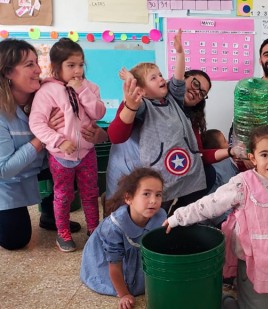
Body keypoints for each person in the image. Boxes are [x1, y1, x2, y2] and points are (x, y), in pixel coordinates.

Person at [163, 125, 268, 309]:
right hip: (253, 260)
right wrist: (178, 217)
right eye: (264, 154)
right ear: (253, 158)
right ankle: (227, 302)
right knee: (255, 305)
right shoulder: (243, 184)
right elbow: (210, 204)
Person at [0, 39, 105, 250]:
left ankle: (50, 214)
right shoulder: (36, 98)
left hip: (53, 162)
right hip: (8, 181)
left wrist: (99, 135)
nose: (39, 69)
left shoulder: (43, 92)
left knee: (80, 178)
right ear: (9, 72)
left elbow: (95, 115)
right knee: (15, 239)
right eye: (29, 65)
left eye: (37, 62)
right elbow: (5, 170)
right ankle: (54, 221)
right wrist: (47, 138)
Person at [105, 29, 207, 216]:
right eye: (154, 77)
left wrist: (180, 53)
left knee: (162, 205)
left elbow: (178, 78)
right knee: (145, 208)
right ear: (142, 89)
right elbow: (117, 133)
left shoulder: (173, 98)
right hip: (147, 171)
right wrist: (131, 97)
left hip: (171, 169)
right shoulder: (143, 105)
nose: (161, 79)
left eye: (160, 75)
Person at [80, 167, 166, 309]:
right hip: (110, 263)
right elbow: (114, 265)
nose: (153, 201)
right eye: (146, 194)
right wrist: (124, 294)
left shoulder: (160, 216)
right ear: (128, 198)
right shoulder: (114, 227)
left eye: (158, 195)